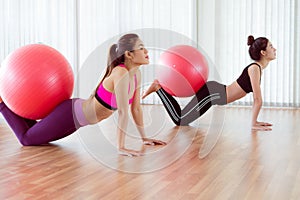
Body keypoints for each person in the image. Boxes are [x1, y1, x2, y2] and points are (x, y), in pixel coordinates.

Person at [0, 33, 166, 157]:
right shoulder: (120, 73)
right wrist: (121, 147)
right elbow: (123, 111)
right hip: (69, 114)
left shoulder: (136, 74)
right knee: (26, 140)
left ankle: (9, 106)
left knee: (35, 135)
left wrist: (144, 138)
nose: (146, 51)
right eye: (141, 47)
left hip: (76, 121)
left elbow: (136, 109)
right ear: (129, 54)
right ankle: (2, 103)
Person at [142, 35, 276, 131]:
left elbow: (257, 99)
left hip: (215, 92)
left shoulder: (256, 68)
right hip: (213, 94)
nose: (274, 49)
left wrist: (255, 122)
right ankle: (158, 87)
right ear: (263, 52)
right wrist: (254, 123)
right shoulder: (254, 68)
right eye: (271, 46)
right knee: (180, 120)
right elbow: (257, 99)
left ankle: (158, 87)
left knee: (181, 118)